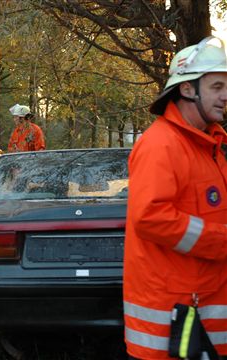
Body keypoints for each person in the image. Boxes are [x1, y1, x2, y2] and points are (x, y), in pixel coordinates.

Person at [124, 36, 227, 359]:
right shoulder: (161, 144)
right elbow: (150, 217)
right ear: (187, 89)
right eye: (217, 86)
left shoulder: (209, 146)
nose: (226, 96)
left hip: (202, 313)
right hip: (175, 321)